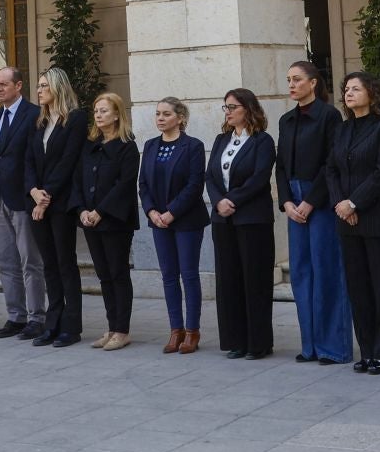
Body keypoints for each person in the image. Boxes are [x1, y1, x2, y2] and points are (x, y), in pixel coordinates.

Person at [327, 71, 380, 374]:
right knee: (358, 288)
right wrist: (340, 204)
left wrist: (354, 202)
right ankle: (368, 348)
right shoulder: (342, 130)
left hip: (378, 218)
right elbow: (330, 169)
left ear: (371, 93)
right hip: (348, 220)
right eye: (346, 90)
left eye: (355, 89)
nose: (349, 94)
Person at [278, 60, 350, 365]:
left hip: (318, 201)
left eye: (297, 79)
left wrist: (310, 200)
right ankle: (310, 345)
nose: (292, 85)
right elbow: (280, 165)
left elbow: (330, 163)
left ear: (313, 83)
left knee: (327, 271)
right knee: (301, 273)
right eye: (288, 80)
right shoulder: (286, 120)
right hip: (294, 203)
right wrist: (286, 202)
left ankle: (333, 346)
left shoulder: (329, 116)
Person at [207, 88, 276, 360]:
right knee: (229, 280)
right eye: (225, 107)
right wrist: (217, 202)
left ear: (248, 108)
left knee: (254, 279)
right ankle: (236, 340)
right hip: (222, 220)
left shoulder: (263, 141)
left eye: (233, 107)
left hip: (252, 218)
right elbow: (210, 175)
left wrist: (231, 200)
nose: (228, 112)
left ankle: (258, 342)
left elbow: (259, 178)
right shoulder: (221, 139)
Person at [26, 67, 89, 348]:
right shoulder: (38, 122)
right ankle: (52, 323)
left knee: (65, 264)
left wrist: (46, 196)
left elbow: (68, 162)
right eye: (38, 87)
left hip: (60, 203)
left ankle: (71, 326)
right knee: (48, 264)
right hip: (38, 200)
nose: (39, 91)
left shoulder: (75, 119)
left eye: (43, 86)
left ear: (57, 87)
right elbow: (28, 161)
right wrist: (34, 192)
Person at [140, 97, 206, 354]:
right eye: (157, 114)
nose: (160, 118)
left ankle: (192, 331)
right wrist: (152, 211)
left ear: (180, 118)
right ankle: (175, 330)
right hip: (158, 221)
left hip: (187, 219)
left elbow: (194, 185)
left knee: (188, 275)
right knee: (168, 276)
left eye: (166, 114)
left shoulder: (193, 146)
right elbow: (143, 183)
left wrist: (171, 213)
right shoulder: (150, 145)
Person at [0, 66, 46, 339]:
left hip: (23, 198)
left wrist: (34, 193)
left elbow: (32, 159)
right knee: (6, 261)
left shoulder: (34, 114)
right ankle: (15, 316)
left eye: (3, 84)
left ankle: (36, 317)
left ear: (19, 85)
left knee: (29, 261)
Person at [79, 92, 139, 350]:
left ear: (117, 114)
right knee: (103, 275)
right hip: (90, 219)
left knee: (117, 273)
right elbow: (80, 180)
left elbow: (124, 185)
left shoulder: (127, 146)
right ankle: (111, 326)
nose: (98, 115)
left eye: (104, 111)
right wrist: (82, 210)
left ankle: (122, 330)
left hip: (114, 220)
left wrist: (100, 211)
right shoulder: (90, 144)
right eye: (96, 111)